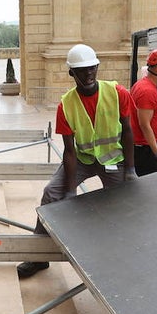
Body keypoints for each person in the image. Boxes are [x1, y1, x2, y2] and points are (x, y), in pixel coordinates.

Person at [16, 44, 135, 278]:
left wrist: (130, 170)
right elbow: (69, 151)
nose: (88, 74)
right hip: (82, 159)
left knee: (123, 204)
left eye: (91, 69)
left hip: (113, 159)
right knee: (52, 193)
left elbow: (128, 131)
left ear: (98, 67)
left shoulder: (118, 93)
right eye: (81, 71)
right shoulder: (66, 105)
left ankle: (125, 257)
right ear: (72, 73)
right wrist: (70, 191)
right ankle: (39, 256)